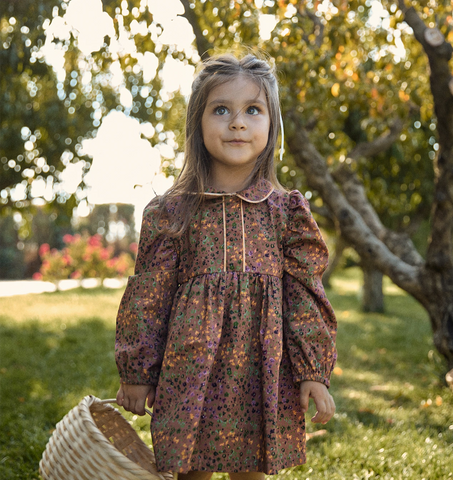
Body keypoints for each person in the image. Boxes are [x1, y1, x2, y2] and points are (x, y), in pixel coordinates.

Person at [115, 53, 337, 480]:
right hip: (191, 369)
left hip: (262, 368)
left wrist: (313, 370)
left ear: (271, 126)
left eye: (253, 110)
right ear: (198, 123)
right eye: (222, 110)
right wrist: (138, 369)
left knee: (251, 469)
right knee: (189, 469)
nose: (237, 123)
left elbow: (304, 294)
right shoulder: (173, 212)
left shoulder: (286, 211)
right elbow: (149, 294)